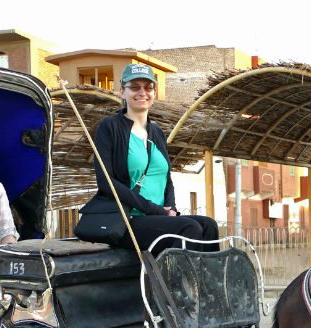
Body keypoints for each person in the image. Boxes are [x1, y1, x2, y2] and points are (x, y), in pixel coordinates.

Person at [77, 63, 220, 253]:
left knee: (209, 225)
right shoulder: (110, 127)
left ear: (154, 92)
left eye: (148, 87)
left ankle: (207, 282)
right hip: (127, 219)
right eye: (134, 87)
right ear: (122, 92)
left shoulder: (157, 132)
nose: (142, 92)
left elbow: (166, 178)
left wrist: (171, 210)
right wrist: (157, 210)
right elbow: (106, 182)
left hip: (158, 217)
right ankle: (172, 282)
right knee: (189, 228)